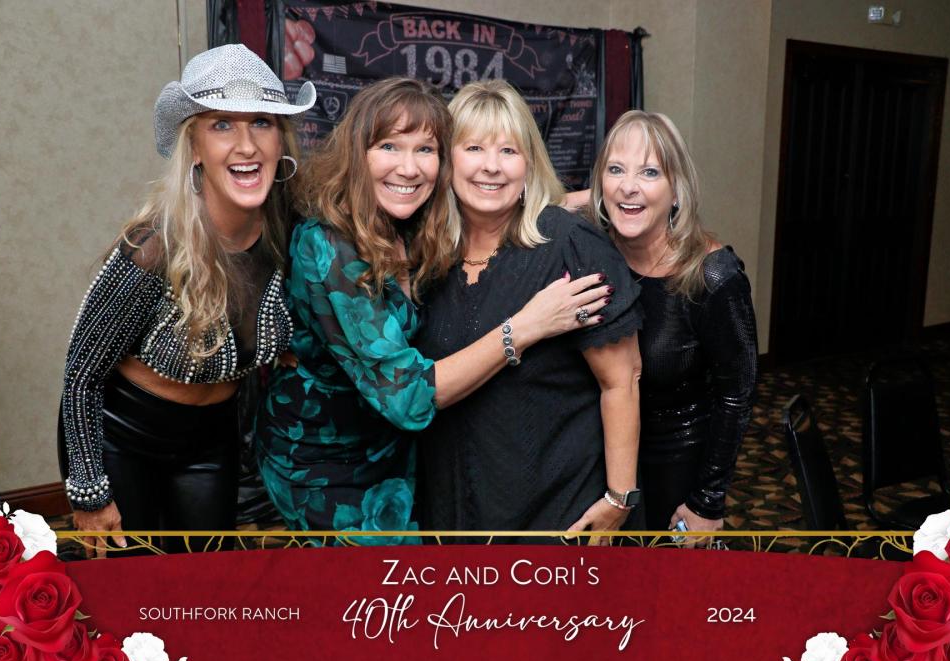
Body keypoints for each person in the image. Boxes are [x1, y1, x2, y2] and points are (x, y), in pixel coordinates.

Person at [253, 78, 612, 544]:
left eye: (425, 149)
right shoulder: (329, 246)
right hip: (325, 465)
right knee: (381, 583)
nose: (408, 168)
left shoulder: (413, 219)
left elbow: (493, 199)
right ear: (357, 152)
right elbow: (408, 396)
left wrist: (601, 200)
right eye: (388, 146)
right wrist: (525, 327)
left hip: (399, 456)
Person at [59, 44, 315, 556]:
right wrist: (89, 491)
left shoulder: (291, 234)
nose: (246, 144)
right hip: (123, 440)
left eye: (261, 122)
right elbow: (81, 377)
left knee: (204, 582)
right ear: (194, 146)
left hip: (212, 439)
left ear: (280, 139)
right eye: (222, 125)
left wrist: (279, 343)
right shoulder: (153, 247)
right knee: (132, 586)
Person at [415, 80, 643, 541]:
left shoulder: (568, 246)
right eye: (474, 148)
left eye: (509, 151)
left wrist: (619, 498)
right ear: (447, 161)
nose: (491, 166)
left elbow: (622, 380)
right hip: (451, 502)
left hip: (554, 509)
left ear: (529, 164)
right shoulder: (426, 251)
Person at [588, 110, 757, 545]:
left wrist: (707, 501)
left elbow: (736, 396)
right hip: (597, 469)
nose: (628, 186)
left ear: (677, 190)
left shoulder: (713, 275)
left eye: (649, 172)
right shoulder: (590, 255)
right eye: (615, 170)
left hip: (676, 471)